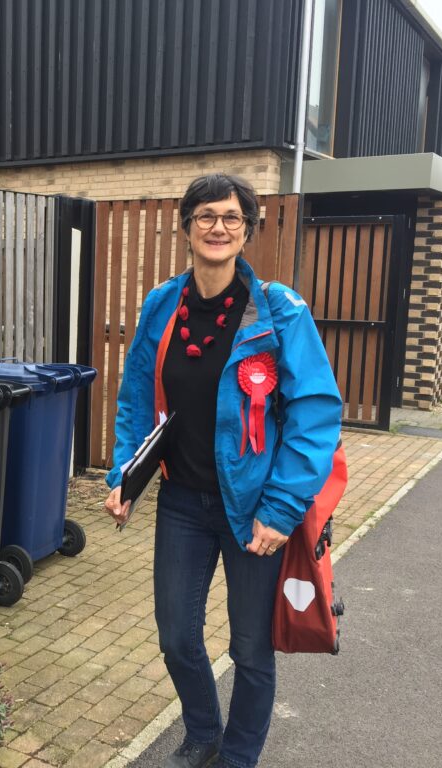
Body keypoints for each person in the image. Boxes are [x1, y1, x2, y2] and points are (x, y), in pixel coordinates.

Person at [103, 173, 342, 768]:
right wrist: (124, 477)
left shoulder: (280, 311)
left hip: (254, 510)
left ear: (248, 230)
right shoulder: (163, 303)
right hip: (182, 502)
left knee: (251, 650)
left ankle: (238, 757)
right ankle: (203, 733)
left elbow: (315, 414)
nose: (218, 227)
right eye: (206, 215)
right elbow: (137, 397)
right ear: (185, 226)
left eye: (232, 218)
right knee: (176, 638)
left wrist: (282, 509)